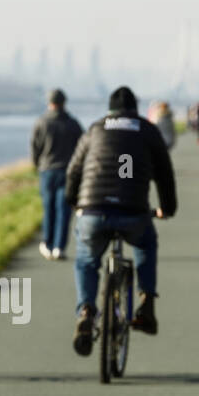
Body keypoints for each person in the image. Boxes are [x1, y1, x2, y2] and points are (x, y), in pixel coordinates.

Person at [65, 85, 177, 354]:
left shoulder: (95, 129)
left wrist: (74, 203)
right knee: (145, 243)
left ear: (110, 108)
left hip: (92, 210)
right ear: (136, 108)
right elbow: (164, 173)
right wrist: (167, 208)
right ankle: (147, 303)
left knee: (86, 260)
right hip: (133, 211)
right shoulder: (148, 130)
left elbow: (73, 172)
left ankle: (86, 312)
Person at [30, 88, 83, 260]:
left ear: (49, 103)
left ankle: (48, 242)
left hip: (47, 171)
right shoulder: (73, 124)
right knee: (63, 211)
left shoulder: (41, 122)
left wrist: (36, 164)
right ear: (64, 102)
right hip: (68, 172)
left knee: (48, 209)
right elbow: (82, 148)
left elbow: (35, 147)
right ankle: (59, 247)